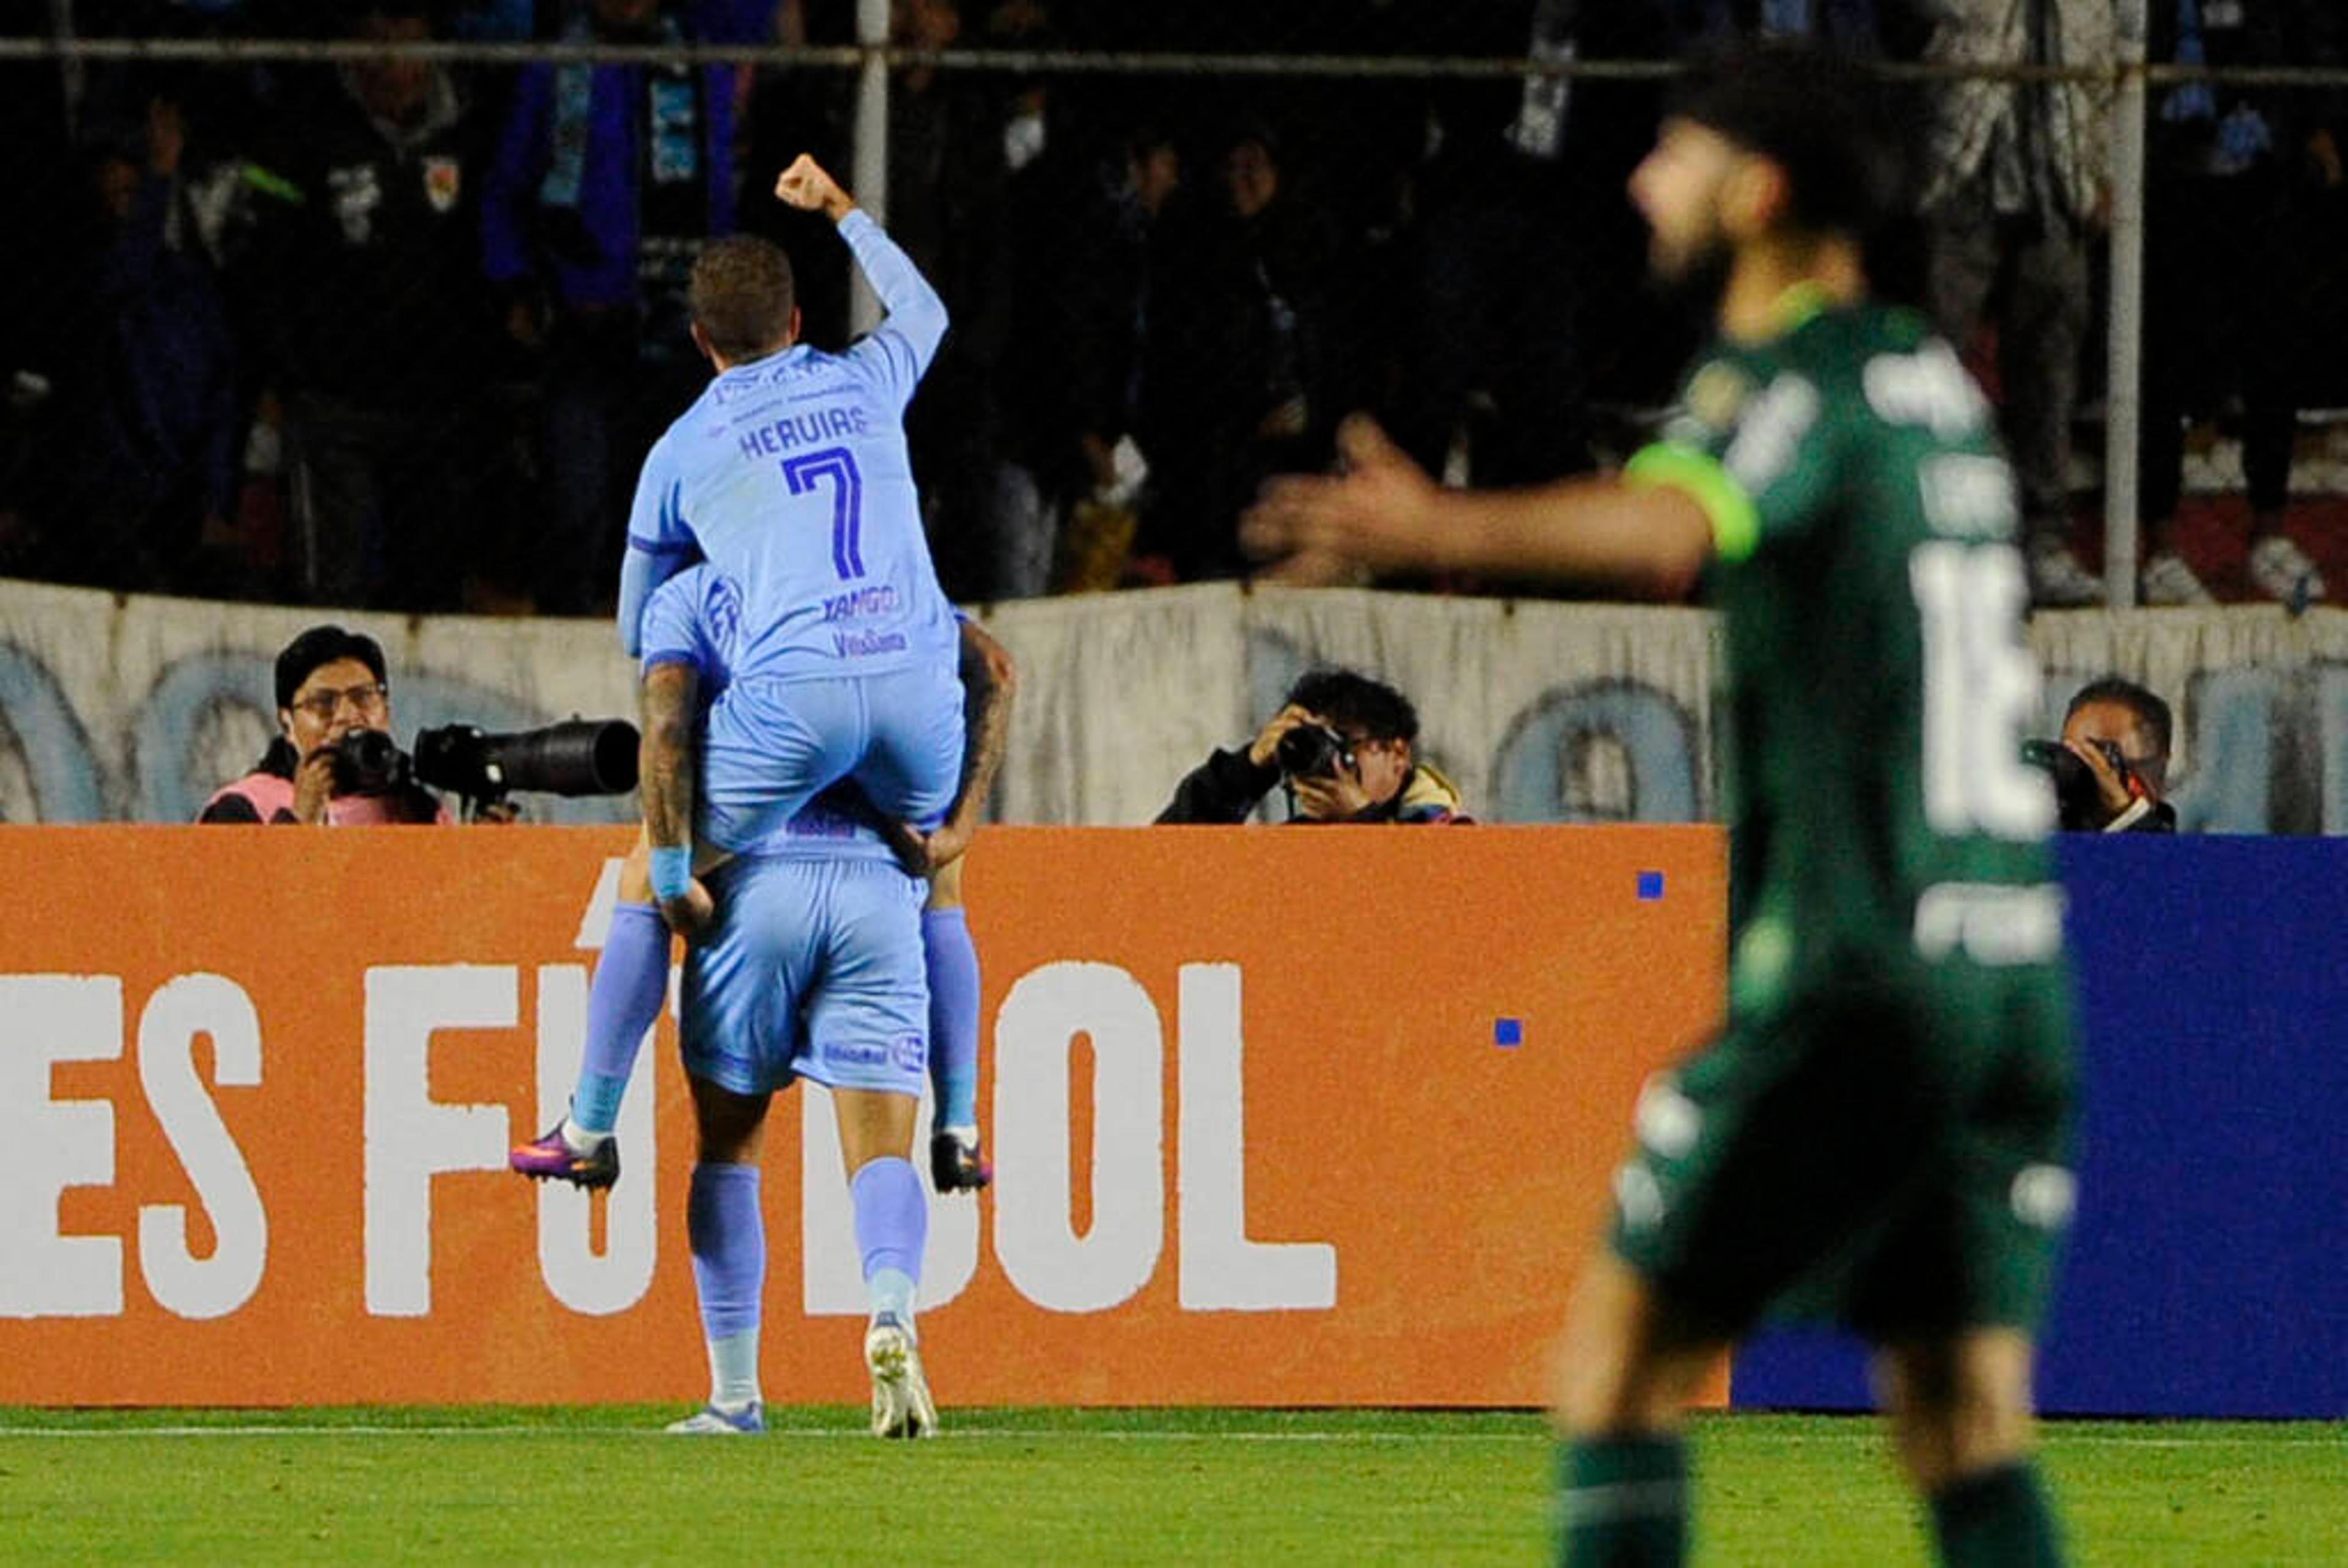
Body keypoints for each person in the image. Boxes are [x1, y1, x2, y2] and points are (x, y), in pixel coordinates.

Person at [1246, 46, 2077, 1567]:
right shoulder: (1932, 388)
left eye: (1674, 153)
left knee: (1619, 1369)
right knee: (1961, 1421)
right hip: (2006, 969)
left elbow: (1669, 529)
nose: (1639, 179)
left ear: (1755, 194)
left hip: (1852, 975)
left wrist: (1437, 525)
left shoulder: (1792, 379)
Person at [511, 156, 970, 1191]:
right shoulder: (863, 378)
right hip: (915, 697)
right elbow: (928, 312)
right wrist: (846, 208)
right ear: (801, 321)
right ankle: (964, 1119)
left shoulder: (679, 449)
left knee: (643, 869)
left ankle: (587, 1127)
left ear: (698, 341)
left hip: (797, 705)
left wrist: (738, 551)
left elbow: (642, 632)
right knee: (939, 866)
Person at [629, 563, 942, 1439]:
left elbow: (665, 732)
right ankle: (889, 1309)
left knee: (728, 1144)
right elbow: (984, 672)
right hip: (874, 891)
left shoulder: (696, 596)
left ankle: (735, 1396)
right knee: (882, 1150)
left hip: (752, 881)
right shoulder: (895, 584)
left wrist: (667, 866)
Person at [1918, 0, 2114, 608]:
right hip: (1963, 159)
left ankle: (2043, 541)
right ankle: (1929, 530)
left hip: (2061, 169)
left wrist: (2103, 166)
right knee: (1936, 362)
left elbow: (2114, 53)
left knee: (2050, 364)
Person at [197, 624, 447, 825]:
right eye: (323, 703)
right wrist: (299, 821)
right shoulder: (243, 807)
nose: (347, 716)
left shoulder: (418, 810)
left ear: (387, 710)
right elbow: (234, 889)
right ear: (287, 725)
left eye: (364, 697)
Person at [1154, 667, 1469, 825]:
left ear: (1397, 754)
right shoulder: (1293, 849)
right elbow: (1165, 866)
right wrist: (1247, 771)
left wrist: (1361, 821)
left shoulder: (1451, 837)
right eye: (1314, 742)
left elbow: (1434, 909)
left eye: (1342, 743)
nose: (1326, 760)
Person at [2054, 675, 2177, 834]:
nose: (2083, 770)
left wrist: (2126, 815)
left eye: (2104, 756)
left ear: (2157, 773)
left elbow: (2157, 857)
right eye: (2073, 756)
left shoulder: (2187, 852)